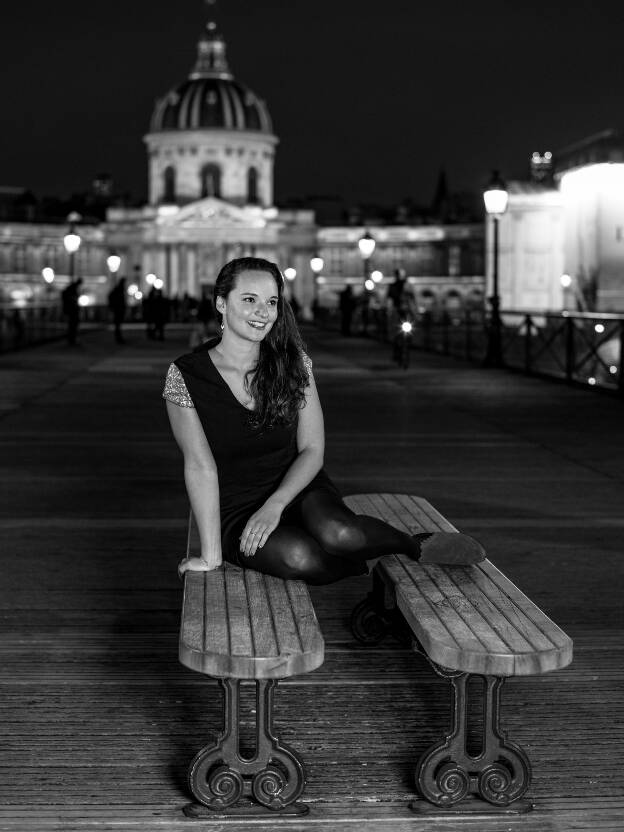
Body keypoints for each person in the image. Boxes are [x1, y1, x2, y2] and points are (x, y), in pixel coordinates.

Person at [163, 256, 484, 583]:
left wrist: (275, 504)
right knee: (300, 557)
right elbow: (200, 466)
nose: (263, 312)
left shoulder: (293, 363)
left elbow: (313, 449)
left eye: (271, 302)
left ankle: (411, 544)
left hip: (298, 487)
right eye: (249, 300)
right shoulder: (186, 376)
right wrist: (211, 556)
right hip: (237, 508)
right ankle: (366, 560)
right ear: (221, 303)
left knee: (341, 534)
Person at [61, 277, 82, 346]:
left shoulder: (71, 289)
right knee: (73, 325)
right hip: (73, 310)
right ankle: (72, 340)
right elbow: (73, 299)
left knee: (72, 325)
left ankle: (71, 340)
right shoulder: (73, 289)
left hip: (71, 310)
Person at [107, 277, 127, 344]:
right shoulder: (118, 289)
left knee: (118, 324)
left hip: (118, 309)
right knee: (118, 324)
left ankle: (118, 337)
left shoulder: (119, 289)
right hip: (118, 309)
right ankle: (118, 337)